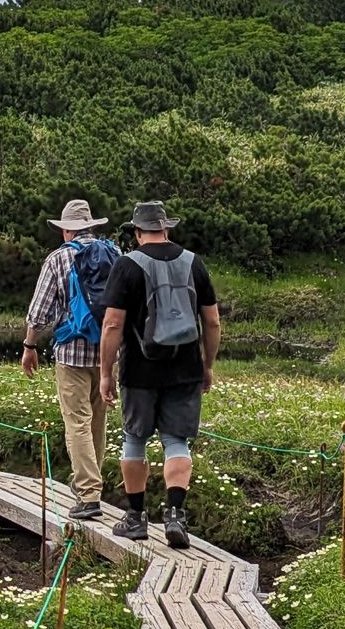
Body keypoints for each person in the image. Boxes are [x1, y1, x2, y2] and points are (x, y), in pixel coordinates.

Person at [97, 200, 219, 548]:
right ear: (167, 228)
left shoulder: (127, 265)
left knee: (134, 439)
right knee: (176, 441)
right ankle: (176, 516)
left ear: (137, 232)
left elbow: (112, 324)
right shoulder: (193, 262)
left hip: (139, 370)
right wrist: (207, 365)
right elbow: (211, 320)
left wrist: (106, 373)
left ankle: (135, 518)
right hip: (185, 369)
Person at [20, 197, 120, 524]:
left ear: (66, 230)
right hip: (108, 352)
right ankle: (92, 487)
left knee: (76, 420)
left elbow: (40, 312)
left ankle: (89, 494)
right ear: (91, 226)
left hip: (72, 352)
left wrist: (29, 345)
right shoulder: (116, 255)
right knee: (97, 421)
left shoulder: (58, 259)